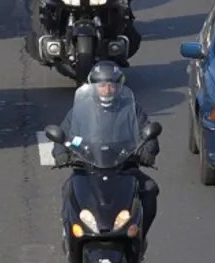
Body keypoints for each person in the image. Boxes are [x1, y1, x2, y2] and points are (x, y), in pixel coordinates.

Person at [51, 62, 159, 241]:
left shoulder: (131, 109)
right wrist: (61, 153)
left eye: (112, 85)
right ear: (93, 87)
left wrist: (148, 150)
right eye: (102, 85)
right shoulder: (80, 110)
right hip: (87, 167)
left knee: (150, 189)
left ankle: (138, 234)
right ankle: (70, 235)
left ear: (120, 87)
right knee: (68, 190)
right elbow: (64, 133)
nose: (107, 90)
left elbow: (147, 131)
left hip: (124, 166)